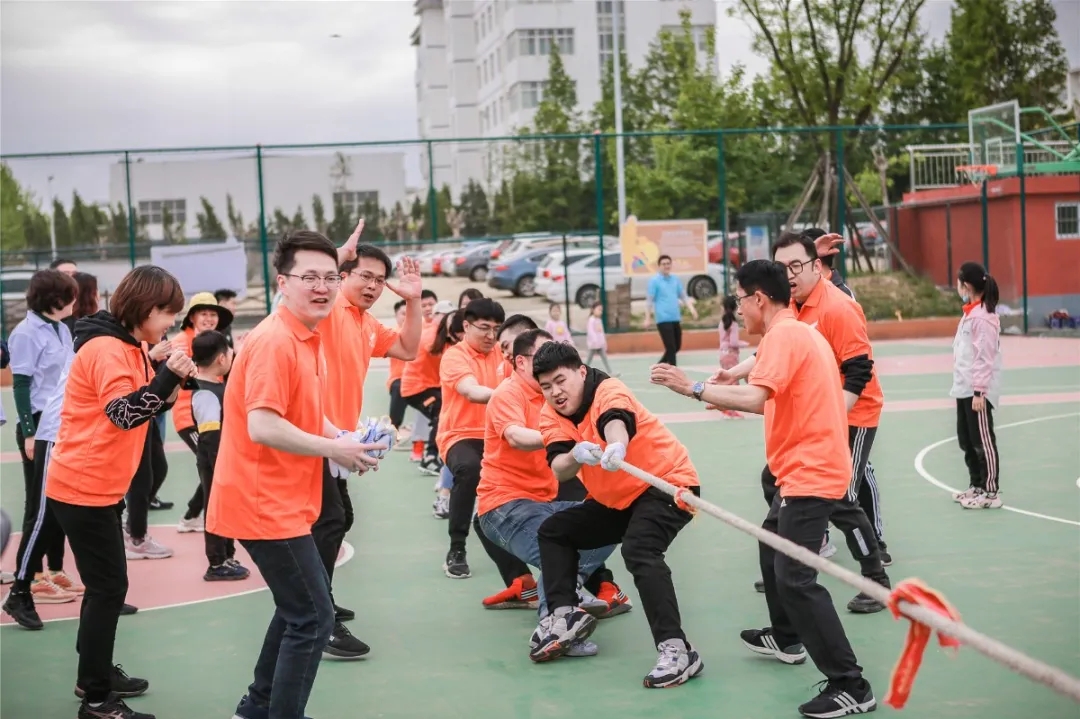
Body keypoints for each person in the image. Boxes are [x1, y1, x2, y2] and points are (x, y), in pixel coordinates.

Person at [651, 259, 877, 717]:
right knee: (770, 546)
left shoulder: (787, 334)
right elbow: (763, 397)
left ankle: (851, 684)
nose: (737, 310)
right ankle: (788, 637)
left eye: (739, 300)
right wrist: (723, 386)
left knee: (795, 579)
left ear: (758, 298)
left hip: (810, 471)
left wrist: (692, 388)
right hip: (802, 468)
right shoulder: (792, 333)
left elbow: (756, 398)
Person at [206, 230, 386, 719]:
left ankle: (258, 705)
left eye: (331, 276)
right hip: (263, 504)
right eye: (309, 277)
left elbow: (305, 414)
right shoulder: (274, 341)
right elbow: (263, 425)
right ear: (283, 282)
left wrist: (347, 442)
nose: (322, 286)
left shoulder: (307, 336)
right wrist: (334, 447)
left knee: (298, 609)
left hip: (285, 501)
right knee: (313, 616)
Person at [45, 265, 196, 719]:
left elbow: (149, 404)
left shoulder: (132, 347)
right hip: (83, 486)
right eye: (168, 313)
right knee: (109, 588)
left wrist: (166, 374)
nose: (171, 321)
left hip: (98, 486)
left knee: (104, 588)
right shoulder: (109, 349)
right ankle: (95, 696)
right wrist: (167, 375)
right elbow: (125, 415)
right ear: (146, 309)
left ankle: (95, 675)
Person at [717, 233, 893, 610]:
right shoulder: (792, 306)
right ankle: (795, 557)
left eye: (796, 266)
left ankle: (876, 577)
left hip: (854, 411)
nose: (789, 275)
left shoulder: (838, 308)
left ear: (817, 266)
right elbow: (771, 349)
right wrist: (735, 373)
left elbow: (860, 371)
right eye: (783, 268)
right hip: (816, 413)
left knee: (842, 494)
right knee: (774, 479)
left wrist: (831, 416)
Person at [531, 342, 702, 688]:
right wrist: (577, 454)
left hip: (667, 486)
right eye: (546, 386)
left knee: (639, 549)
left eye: (561, 381)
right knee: (554, 531)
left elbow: (616, 420)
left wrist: (616, 445)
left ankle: (678, 650)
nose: (555, 392)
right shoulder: (550, 414)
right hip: (616, 501)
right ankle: (564, 618)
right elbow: (560, 469)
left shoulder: (608, 389)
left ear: (581, 371)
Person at [314, 224, 423, 657]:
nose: (374, 286)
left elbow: (410, 349)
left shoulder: (365, 323)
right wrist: (335, 258)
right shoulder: (324, 309)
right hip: (312, 437)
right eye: (366, 276)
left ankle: (318, 604)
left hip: (339, 442)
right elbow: (289, 300)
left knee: (336, 521)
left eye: (381, 280)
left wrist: (412, 301)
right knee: (328, 523)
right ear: (343, 276)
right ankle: (316, 619)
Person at [477, 329, 624, 646]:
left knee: (612, 518)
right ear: (520, 362)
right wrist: (564, 440)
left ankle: (569, 592)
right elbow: (516, 436)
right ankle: (552, 626)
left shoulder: (555, 398)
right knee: (560, 551)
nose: (548, 365)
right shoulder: (508, 394)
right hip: (503, 506)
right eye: (540, 357)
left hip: (543, 504)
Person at [5, 269, 82, 617]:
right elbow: (21, 385)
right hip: (38, 425)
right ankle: (24, 587)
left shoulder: (62, 329)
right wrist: (29, 432)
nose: (75, 301)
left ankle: (48, 572)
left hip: (61, 424)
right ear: (54, 299)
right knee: (39, 509)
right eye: (70, 295)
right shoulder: (25, 333)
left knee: (56, 506)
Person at [437, 297, 506, 578]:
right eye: (484, 328)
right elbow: (470, 390)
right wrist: (508, 394)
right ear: (466, 326)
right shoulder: (455, 355)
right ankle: (456, 548)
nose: (491, 336)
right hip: (460, 435)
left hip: (499, 435)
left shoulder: (505, 353)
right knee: (469, 469)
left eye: (496, 329)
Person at [188, 330, 249, 581]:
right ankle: (216, 562)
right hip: (215, 462)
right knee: (215, 509)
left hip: (225, 459)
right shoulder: (205, 393)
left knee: (227, 508)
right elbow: (210, 437)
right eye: (230, 350)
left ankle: (228, 554)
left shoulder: (216, 385)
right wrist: (221, 466)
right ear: (221, 359)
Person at [171, 292, 234, 534]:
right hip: (190, 417)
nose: (209, 318)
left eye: (213, 314)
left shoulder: (218, 340)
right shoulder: (181, 342)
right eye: (203, 314)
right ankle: (205, 522)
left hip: (212, 414)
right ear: (192, 317)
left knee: (211, 465)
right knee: (211, 464)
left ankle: (193, 516)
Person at [950, 262, 1003, 509]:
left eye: (959, 282)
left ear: (967, 285)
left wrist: (979, 391)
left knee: (983, 441)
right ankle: (976, 486)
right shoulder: (970, 313)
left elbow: (984, 356)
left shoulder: (984, 317)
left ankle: (991, 493)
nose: (957, 286)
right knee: (966, 440)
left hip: (977, 391)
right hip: (963, 387)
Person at [401, 299, 457, 476]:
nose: (448, 320)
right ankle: (430, 458)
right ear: (435, 317)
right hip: (416, 388)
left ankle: (437, 455)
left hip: (429, 386)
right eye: (444, 316)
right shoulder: (432, 335)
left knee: (445, 414)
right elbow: (438, 352)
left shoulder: (444, 336)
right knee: (440, 414)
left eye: (451, 316)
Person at [643, 254, 697, 366]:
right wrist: (647, 318)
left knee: (676, 346)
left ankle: (658, 367)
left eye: (668, 263)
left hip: (675, 317)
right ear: (659, 266)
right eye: (663, 264)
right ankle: (673, 372)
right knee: (671, 348)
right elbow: (649, 300)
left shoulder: (675, 279)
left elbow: (683, 296)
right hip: (663, 319)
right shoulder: (655, 281)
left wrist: (692, 309)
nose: (666, 266)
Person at [715, 295, 748, 419]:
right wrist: (743, 344)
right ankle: (731, 410)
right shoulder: (733, 324)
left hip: (722, 354)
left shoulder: (722, 322)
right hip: (731, 355)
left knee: (726, 380)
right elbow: (734, 342)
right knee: (733, 382)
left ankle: (724, 406)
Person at [584, 301, 616, 376]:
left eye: (601, 310)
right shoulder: (591, 320)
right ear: (593, 310)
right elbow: (591, 332)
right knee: (589, 359)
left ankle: (610, 372)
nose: (600, 312)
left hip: (600, 344)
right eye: (598, 309)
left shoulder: (599, 320)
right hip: (593, 345)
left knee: (605, 358)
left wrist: (603, 342)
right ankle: (582, 371)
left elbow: (601, 333)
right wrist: (595, 341)